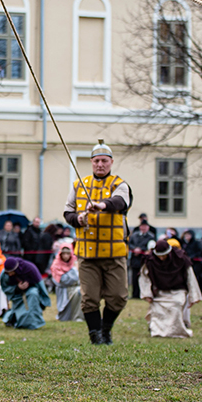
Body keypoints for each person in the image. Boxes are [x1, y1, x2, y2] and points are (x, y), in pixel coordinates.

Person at [62, 140, 132, 345]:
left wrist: (101, 205)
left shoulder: (119, 185)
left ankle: (106, 329)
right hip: (87, 253)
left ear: (111, 162)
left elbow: (120, 202)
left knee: (118, 296)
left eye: (104, 161)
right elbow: (67, 212)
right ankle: (95, 335)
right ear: (91, 162)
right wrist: (78, 219)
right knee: (89, 298)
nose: (100, 164)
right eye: (96, 161)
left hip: (114, 252)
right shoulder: (78, 185)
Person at [139, 240, 202, 338]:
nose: (161, 258)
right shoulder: (150, 260)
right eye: (159, 256)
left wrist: (193, 296)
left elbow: (190, 277)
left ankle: (176, 330)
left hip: (178, 290)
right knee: (157, 308)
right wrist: (147, 294)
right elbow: (144, 278)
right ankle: (157, 330)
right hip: (160, 291)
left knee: (176, 305)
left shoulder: (180, 258)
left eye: (163, 255)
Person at [0, 256, 52, 329]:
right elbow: (6, 287)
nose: (10, 275)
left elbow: (40, 286)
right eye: (8, 273)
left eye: (11, 272)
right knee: (19, 306)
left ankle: (32, 322)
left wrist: (43, 301)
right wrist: (17, 288)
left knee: (33, 294)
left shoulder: (30, 269)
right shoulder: (5, 273)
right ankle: (15, 319)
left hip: (31, 292)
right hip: (17, 294)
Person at [50, 239, 82, 322]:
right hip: (63, 291)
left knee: (80, 292)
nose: (65, 256)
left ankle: (78, 317)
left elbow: (79, 278)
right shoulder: (56, 264)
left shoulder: (74, 262)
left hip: (74, 289)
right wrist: (73, 273)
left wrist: (72, 276)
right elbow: (61, 280)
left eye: (68, 254)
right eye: (63, 254)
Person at [127, 220, 155, 299]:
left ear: (148, 227)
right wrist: (134, 249)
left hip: (144, 260)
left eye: (145, 226)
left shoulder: (151, 236)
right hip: (135, 260)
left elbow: (151, 246)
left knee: (143, 278)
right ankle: (134, 294)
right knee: (134, 278)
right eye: (142, 226)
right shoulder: (134, 235)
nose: (143, 228)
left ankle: (143, 294)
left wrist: (141, 249)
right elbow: (129, 244)